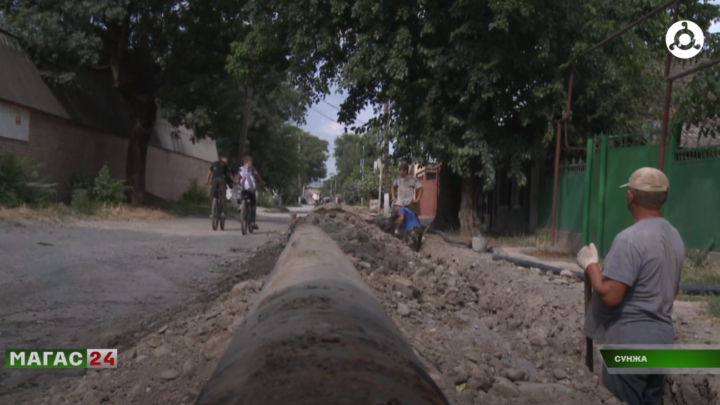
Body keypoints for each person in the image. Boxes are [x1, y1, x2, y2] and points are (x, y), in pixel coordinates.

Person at [576, 167, 684, 405]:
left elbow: (610, 296)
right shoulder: (675, 237)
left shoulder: (629, 239)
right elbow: (672, 291)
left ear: (631, 196)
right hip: (661, 341)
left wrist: (591, 265)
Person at [384, 163, 423, 233]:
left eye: (401, 170)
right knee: (393, 216)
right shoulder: (398, 179)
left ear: (405, 171)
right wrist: (393, 196)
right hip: (399, 202)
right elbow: (393, 187)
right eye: (399, 170)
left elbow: (421, 188)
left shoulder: (412, 179)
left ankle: (420, 233)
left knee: (414, 217)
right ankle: (386, 231)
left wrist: (417, 199)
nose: (400, 172)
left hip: (409, 202)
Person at [236, 155, 265, 230]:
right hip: (250, 189)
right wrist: (261, 182)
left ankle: (241, 205)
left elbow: (239, 179)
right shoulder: (253, 168)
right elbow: (257, 177)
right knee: (253, 204)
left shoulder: (240, 169)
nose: (252, 163)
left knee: (243, 196)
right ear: (249, 161)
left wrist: (237, 182)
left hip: (243, 189)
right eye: (251, 161)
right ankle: (253, 222)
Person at [206, 154, 233, 218]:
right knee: (223, 195)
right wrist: (234, 181)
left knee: (212, 195)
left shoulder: (214, 163)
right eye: (226, 159)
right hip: (221, 180)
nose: (227, 160)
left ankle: (211, 213)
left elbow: (209, 172)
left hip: (214, 180)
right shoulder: (225, 165)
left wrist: (207, 180)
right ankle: (223, 212)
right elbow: (229, 174)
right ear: (223, 158)